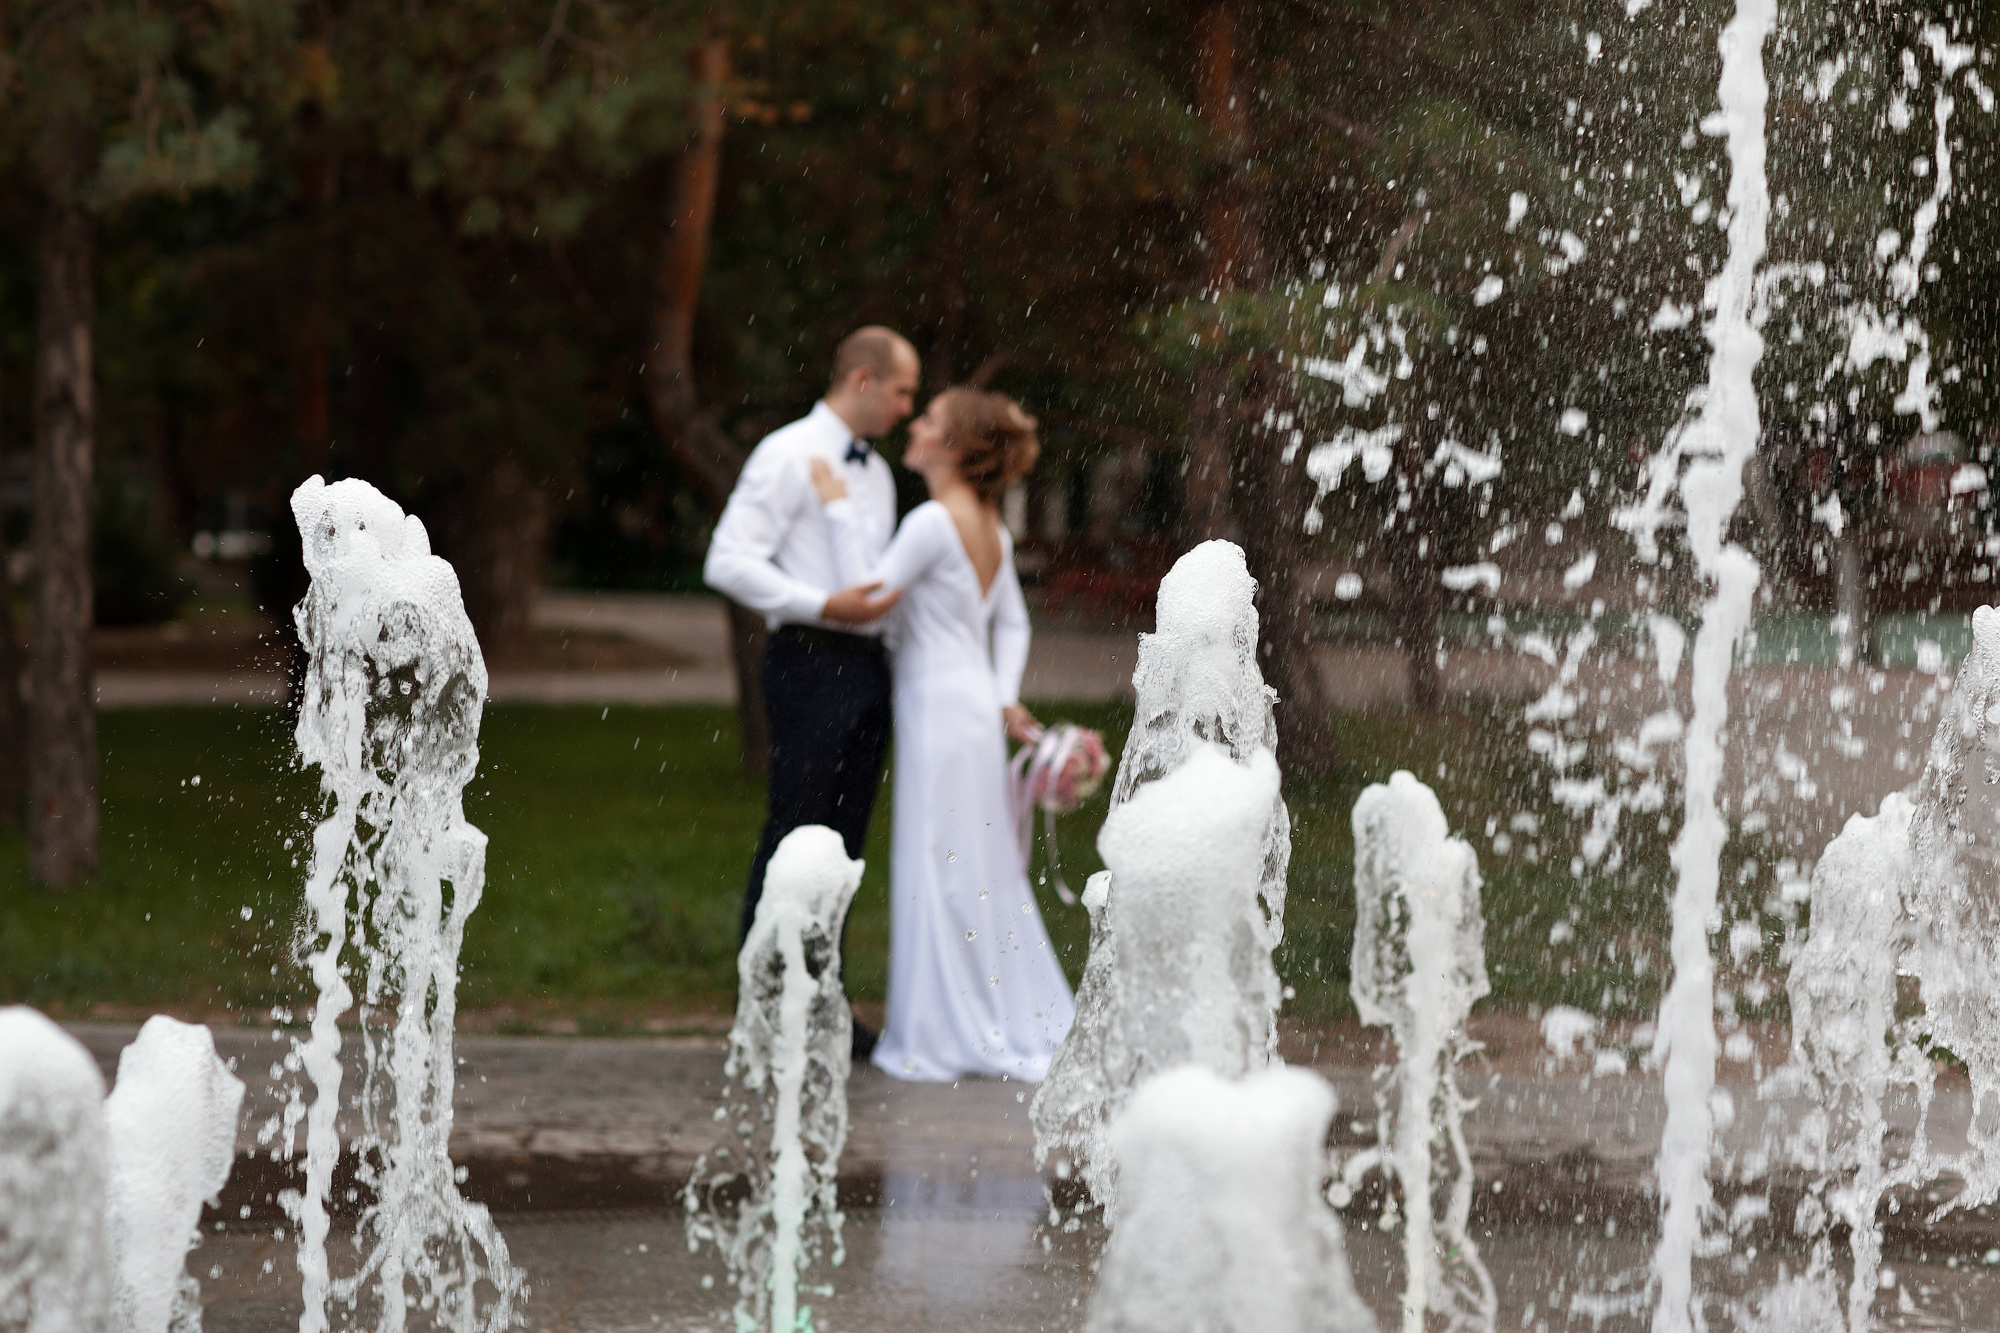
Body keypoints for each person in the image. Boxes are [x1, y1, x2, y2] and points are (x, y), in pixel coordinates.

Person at [809, 387, 1076, 1082]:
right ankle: (979, 1013)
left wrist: (836, 509)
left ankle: (942, 1029)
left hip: (937, 705)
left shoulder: (933, 520)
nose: (916, 427)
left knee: (939, 860)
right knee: (974, 863)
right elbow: (1011, 622)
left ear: (951, 447)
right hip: (971, 705)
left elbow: (870, 595)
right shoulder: (990, 524)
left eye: (928, 421)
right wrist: (1003, 693)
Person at [703, 326, 920, 1056]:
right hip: (807, 658)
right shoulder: (786, 453)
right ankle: (765, 1008)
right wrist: (821, 603)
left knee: (845, 842)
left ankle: (824, 1004)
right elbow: (728, 561)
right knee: (795, 830)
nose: (907, 408)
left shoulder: (878, 473)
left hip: (869, 666)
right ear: (862, 380)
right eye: (901, 391)